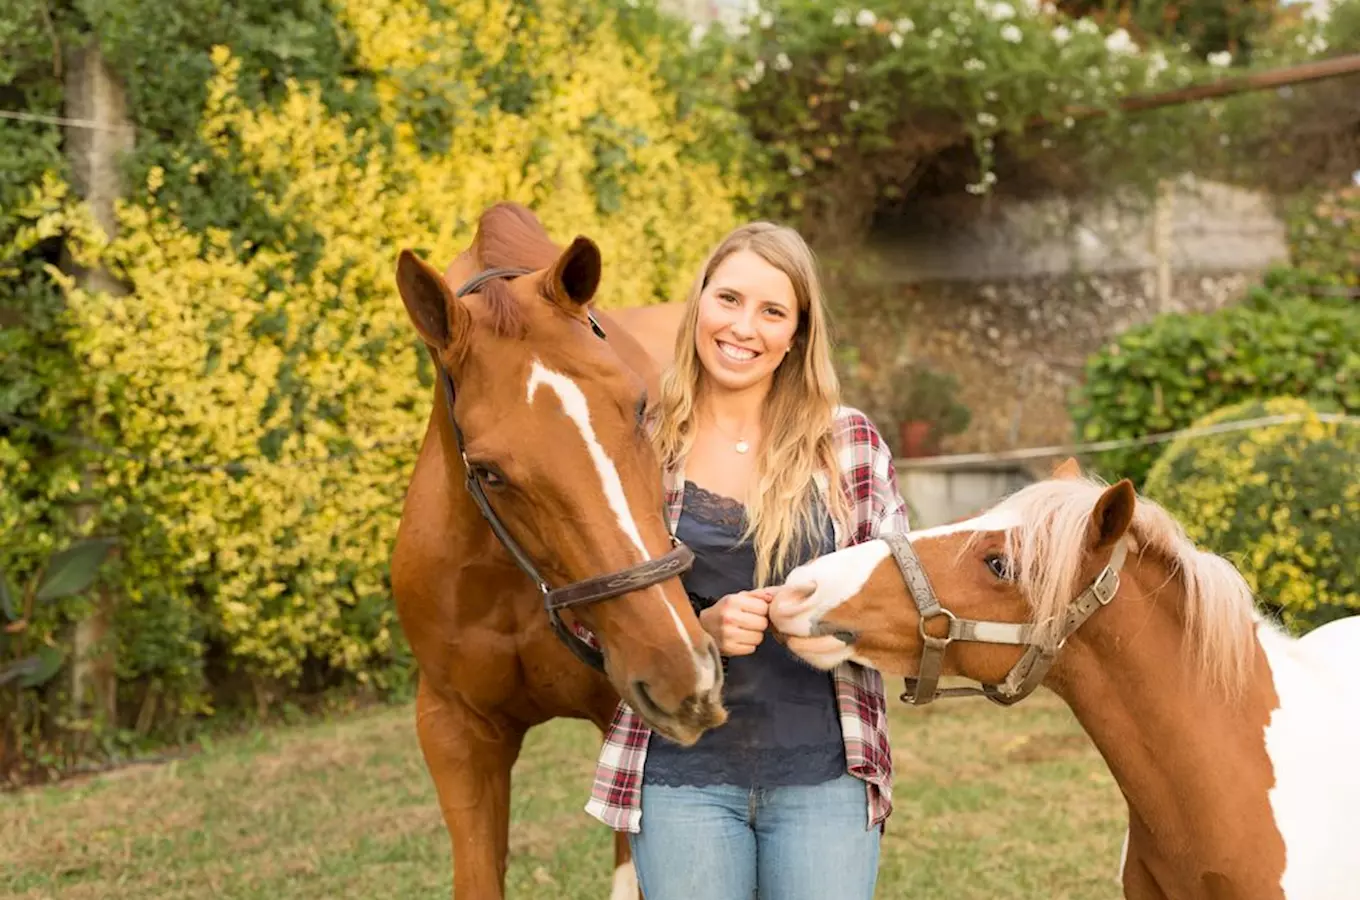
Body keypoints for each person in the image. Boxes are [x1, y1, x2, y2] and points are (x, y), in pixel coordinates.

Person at [585, 222, 911, 899]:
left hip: (827, 777)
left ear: (797, 333)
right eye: (728, 299)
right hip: (682, 777)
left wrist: (828, 616)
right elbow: (595, 615)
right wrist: (701, 633)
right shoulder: (641, 443)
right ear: (698, 303)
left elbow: (902, 601)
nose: (744, 327)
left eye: (772, 311)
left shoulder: (847, 442)